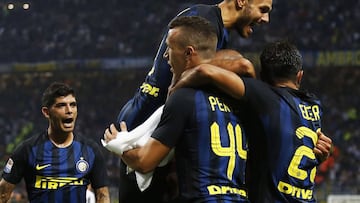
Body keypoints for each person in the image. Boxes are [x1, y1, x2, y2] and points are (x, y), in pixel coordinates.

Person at [115, 0, 273, 202]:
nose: (266, 19)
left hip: (158, 131)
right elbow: (234, 66)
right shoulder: (203, 20)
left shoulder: (215, 28)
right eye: (263, 10)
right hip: (145, 131)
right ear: (241, 1)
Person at [170, 40, 333, 202]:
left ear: (262, 77)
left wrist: (174, 90)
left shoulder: (264, 96)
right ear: (299, 76)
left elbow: (205, 71)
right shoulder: (314, 105)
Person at [0, 82, 110, 203]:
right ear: (46, 112)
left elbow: (102, 196)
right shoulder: (27, 150)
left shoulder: (91, 150)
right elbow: (3, 194)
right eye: (61, 105)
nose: (69, 110)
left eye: (73, 105)